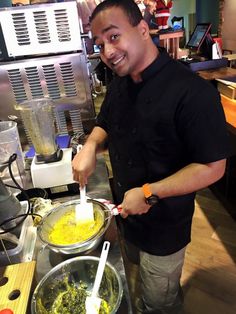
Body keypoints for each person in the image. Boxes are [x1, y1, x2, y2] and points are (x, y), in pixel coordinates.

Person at [72, 0, 229, 313]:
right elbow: (105, 124)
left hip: (164, 227)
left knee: (160, 301)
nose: (108, 51)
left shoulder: (193, 92)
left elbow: (213, 167)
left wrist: (148, 192)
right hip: (127, 215)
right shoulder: (120, 82)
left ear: (143, 29)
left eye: (114, 37)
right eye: (100, 44)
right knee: (135, 275)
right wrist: (90, 146)